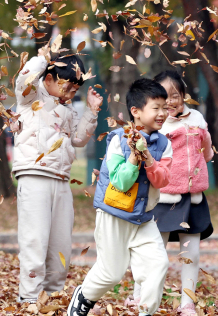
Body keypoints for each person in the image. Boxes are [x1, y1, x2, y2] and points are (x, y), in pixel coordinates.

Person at [68, 78, 173, 316]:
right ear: (135, 111)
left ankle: (145, 311)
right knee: (112, 273)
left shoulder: (164, 144)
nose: (162, 113)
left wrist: (148, 157)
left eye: (164, 108)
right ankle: (84, 296)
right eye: (156, 108)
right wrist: (134, 157)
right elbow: (121, 182)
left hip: (143, 218)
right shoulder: (117, 140)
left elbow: (162, 180)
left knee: (158, 264)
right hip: (114, 214)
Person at [13, 48, 102, 303]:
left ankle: (53, 296)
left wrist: (91, 112)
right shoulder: (30, 98)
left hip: (61, 179)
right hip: (34, 175)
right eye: (67, 87)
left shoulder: (69, 109)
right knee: (35, 240)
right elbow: (24, 79)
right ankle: (29, 299)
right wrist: (43, 58)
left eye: (75, 89)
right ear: (48, 79)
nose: (71, 93)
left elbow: (78, 139)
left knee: (60, 243)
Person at [129, 71, 214, 316]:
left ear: (183, 95)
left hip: (192, 196)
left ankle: (187, 303)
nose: (170, 102)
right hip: (162, 197)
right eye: (164, 97)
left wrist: (205, 151)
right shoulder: (155, 121)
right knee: (155, 252)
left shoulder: (196, 118)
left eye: (175, 95)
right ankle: (140, 297)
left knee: (191, 254)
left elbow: (206, 150)